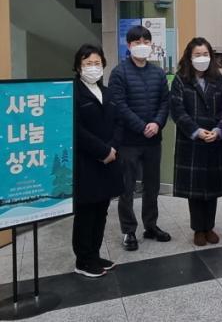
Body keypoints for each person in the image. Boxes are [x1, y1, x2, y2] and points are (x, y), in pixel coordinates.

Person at [109, 25, 170, 251]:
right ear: (129, 45)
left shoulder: (158, 73)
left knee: (152, 186)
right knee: (126, 188)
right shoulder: (119, 72)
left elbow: (165, 102)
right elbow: (119, 106)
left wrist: (157, 123)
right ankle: (129, 231)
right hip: (128, 141)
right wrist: (142, 126)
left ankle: (151, 226)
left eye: (146, 42)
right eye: (137, 42)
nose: (142, 46)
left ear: (151, 45)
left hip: (153, 140)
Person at [170, 37, 222, 247]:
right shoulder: (180, 80)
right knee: (195, 190)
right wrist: (196, 131)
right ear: (189, 57)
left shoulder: (218, 79)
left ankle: (209, 226)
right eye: (197, 54)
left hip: (214, 139)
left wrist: (218, 130)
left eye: (205, 54)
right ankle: (198, 228)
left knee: (211, 188)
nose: (202, 58)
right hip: (192, 141)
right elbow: (177, 111)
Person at [72, 44, 123, 277]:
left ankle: (94, 253)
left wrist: (113, 147)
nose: (93, 67)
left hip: (109, 160)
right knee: (86, 211)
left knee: (102, 209)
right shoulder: (73, 93)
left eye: (97, 63)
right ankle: (83, 260)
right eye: (87, 63)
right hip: (88, 161)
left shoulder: (108, 92)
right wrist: (102, 150)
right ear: (78, 67)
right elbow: (76, 129)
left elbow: (118, 123)